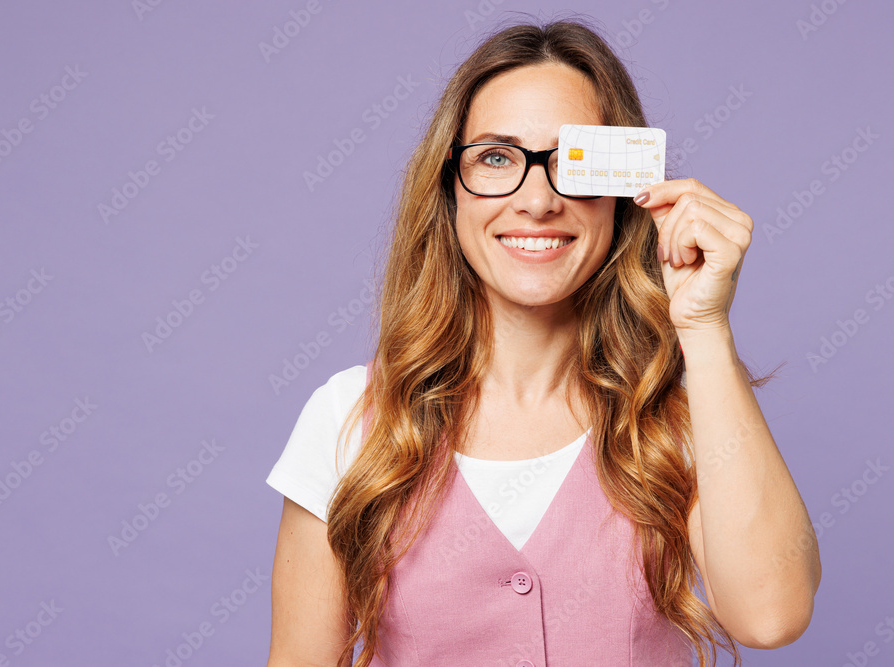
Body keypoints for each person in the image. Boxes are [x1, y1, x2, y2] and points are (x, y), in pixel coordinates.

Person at [266, 16, 821, 667]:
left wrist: (702, 328)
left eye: (571, 163)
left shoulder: (681, 417)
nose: (537, 200)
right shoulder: (347, 419)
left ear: (624, 193)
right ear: (450, 188)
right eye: (496, 158)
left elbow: (771, 614)